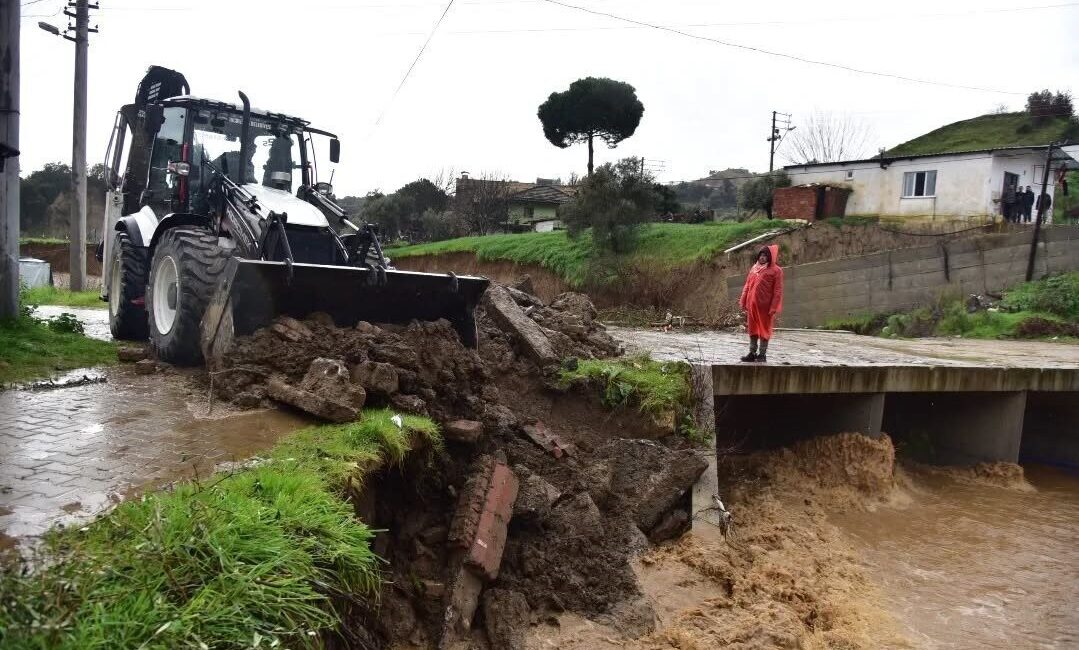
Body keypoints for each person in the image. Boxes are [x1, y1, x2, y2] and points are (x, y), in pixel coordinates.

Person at [739, 245, 784, 363]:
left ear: (770, 257)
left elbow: (778, 291)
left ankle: (762, 354)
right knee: (752, 329)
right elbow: (747, 285)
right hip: (752, 305)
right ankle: (752, 353)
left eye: (765, 256)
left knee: (764, 329)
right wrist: (743, 300)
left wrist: (774, 307)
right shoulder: (754, 268)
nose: (762, 258)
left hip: (765, 307)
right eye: (761, 255)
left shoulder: (776, 270)